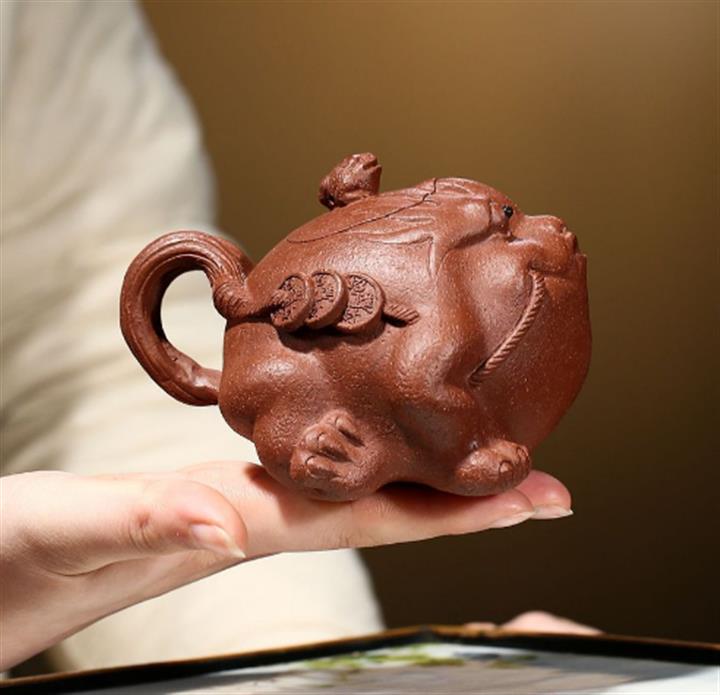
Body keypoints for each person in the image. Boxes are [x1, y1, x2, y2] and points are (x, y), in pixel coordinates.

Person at [0, 0, 579, 674]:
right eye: (509, 225)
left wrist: (297, 665)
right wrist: (466, 451)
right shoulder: (446, 316)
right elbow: (419, 381)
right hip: (294, 382)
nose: (550, 233)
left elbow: (67, 314)